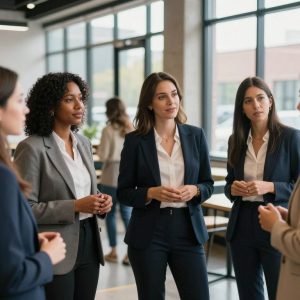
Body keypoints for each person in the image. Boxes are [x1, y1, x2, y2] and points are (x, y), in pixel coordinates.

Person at [14, 72, 112, 300]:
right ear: (50, 106)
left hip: (90, 243)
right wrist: (76, 206)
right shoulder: (32, 148)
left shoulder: (84, 144)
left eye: (80, 98)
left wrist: (101, 200)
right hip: (55, 246)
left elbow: (84, 190)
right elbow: (24, 209)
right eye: (69, 99)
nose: (79, 105)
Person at [117, 72, 214, 300]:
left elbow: (207, 183)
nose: (171, 102)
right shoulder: (134, 141)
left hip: (188, 229)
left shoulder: (196, 136)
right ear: (149, 104)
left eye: (174, 95)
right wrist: (151, 192)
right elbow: (124, 192)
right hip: (150, 231)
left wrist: (195, 190)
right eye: (162, 97)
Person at [224, 76, 300, 300]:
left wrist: (270, 186)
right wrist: (233, 189)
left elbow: (296, 186)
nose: (256, 105)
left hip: (275, 219)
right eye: (248, 101)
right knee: (248, 293)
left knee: (280, 291)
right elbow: (229, 184)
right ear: (242, 108)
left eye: (260, 98)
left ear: (270, 101)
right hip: (242, 225)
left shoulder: (291, 138)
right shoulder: (235, 140)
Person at [0, 66, 66, 299]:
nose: (25, 109)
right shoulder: (4, 177)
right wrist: (47, 257)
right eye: (19, 100)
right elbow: (11, 277)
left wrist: (28, 240)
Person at [258, 100, 300, 300]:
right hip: (247, 224)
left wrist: (277, 226)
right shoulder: (236, 139)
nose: (298, 105)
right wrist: (289, 217)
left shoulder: (290, 137)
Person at [97, 97, 133, 265]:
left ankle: (113, 251)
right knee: (127, 215)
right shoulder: (130, 128)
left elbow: (103, 155)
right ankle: (130, 253)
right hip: (128, 177)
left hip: (110, 176)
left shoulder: (108, 130)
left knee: (110, 215)